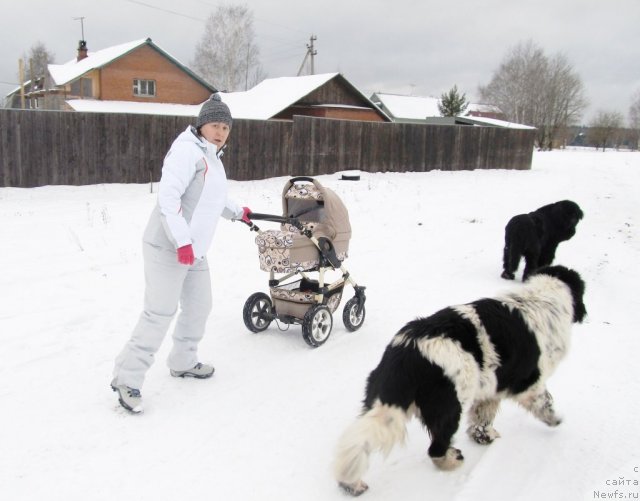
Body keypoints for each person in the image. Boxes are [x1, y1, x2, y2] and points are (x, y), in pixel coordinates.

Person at [111, 93, 251, 413]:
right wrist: (182, 240)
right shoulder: (186, 150)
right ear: (202, 125)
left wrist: (238, 212)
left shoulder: (213, 157)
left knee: (200, 307)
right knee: (159, 312)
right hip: (168, 246)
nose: (220, 132)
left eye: (226, 127)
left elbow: (213, 199)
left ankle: (183, 361)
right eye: (215, 125)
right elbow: (169, 199)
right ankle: (127, 378)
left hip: (194, 250)